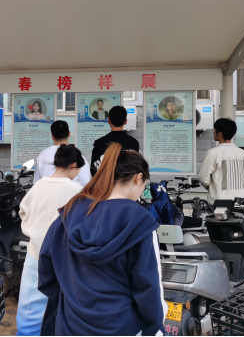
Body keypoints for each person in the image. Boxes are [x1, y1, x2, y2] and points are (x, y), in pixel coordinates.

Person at [38, 143, 166, 336]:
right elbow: (148, 287)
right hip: (121, 325)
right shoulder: (140, 221)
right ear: (138, 178)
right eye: (144, 186)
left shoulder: (70, 211)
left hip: (70, 324)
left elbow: (46, 268)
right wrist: (154, 326)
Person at [16, 145, 85, 336]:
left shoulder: (39, 185)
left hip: (34, 252)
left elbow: (23, 211)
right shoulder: (77, 191)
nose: (78, 173)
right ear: (73, 165)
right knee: (58, 307)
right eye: (79, 169)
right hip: (62, 257)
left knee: (29, 306)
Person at [198, 118, 244, 202]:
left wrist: (213, 187)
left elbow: (203, 178)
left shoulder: (213, 153)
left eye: (214, 130)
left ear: (220, 134)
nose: (213, 132)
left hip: (219, 203)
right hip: (242, 202)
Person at [33, 120, 91, 186]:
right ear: (69, 134)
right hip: (72, 192)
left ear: (52, 137)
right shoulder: (77, 155)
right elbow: (85, 182)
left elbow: (37, 182)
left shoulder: (43, 155)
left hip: (48, 191)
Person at [90, 106, 139, 176]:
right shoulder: (133, 143)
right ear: (125, 121)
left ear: (109, 120)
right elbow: (136, 168)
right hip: (127, 182)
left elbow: (94, 170)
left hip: (105, 182)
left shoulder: (99, 144)